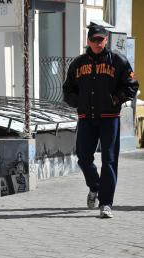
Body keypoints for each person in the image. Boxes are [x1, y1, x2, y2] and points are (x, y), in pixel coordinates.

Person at [63, 23, 139, 218]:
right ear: (88, 40)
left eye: (101, 39)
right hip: (86, 118)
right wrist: (78, 101)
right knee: (83, 157)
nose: (97, 43)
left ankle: (106, 203)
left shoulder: (118, 61)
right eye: (94, 39)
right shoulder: (78, 64)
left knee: (109, 161)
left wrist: (115, 99)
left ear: (106, 40)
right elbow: (68, 89)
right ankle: (95, 186)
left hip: (109, 118)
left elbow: (132, 86)